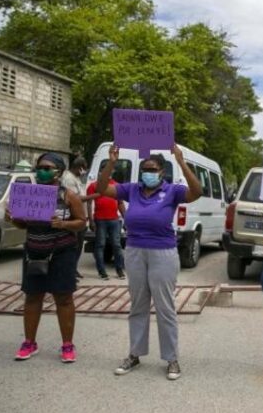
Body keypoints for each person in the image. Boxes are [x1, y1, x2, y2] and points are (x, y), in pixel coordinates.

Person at [97, 145, 202, 380]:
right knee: (138, 305)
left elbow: (197, 192)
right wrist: (111, 162)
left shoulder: (172, 191)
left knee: (165, 307)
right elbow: (102, 189)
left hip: (162, 253)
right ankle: (134, 354)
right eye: (145, 169)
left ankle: (172, 358)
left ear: (162, 172)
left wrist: (182, 162)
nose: (147, 172)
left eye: (152, 169)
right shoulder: (132, 189)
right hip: (135, 251)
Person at [6, 153, 86, 363]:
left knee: (64, 298)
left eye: (48, 167)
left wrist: (64, 224)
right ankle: (29, 342)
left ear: (59, 172)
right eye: (40, 167)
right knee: (33, 297)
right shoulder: (28, 194)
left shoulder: (68, 196)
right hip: (34, 252)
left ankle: (67, 345)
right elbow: (24, 225)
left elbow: (82, 222)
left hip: (62, 253)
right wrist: (14, 219)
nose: (43, 171)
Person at [86, 164, 126, 280]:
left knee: (117, 245)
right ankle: (102, 272)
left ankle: (119, 270)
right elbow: (89, 203)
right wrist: (91, 220)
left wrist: (126, 218)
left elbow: (120, 203)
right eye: (104, 170)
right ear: (101, 172)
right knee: (100, 245)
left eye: (110, 170)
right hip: (100, 220)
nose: (108, 172)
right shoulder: (94, 186)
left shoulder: (116, 185)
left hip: (114, 220)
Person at [61, 157, 89, 280]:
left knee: (78, 247)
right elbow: (75, 199)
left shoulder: (76, 178)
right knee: (73, 247)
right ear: (79, 167)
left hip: (81, 217)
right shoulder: (68, 179)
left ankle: (73, 269)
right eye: (84, 169)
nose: (84, 172)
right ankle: (69, 271)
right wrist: (95, 196)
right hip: (73, 218)